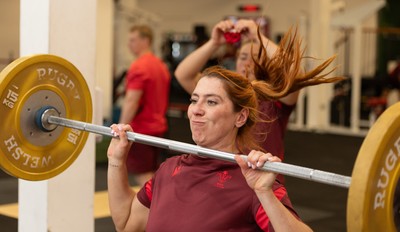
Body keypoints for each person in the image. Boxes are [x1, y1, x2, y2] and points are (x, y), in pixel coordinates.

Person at [107, 27, 342, 230]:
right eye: (194, 100)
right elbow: (126, 224)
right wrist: (116, 161)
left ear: (240, 118)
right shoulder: (168, 170)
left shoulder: (252, 186)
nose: (196, 110)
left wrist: (264, 194)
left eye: (211, 102)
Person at [174, 18, 342, 182]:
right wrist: (214, 43)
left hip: (261, 179)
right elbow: (183, 74)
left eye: (256, 57)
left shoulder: (277, 96)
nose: (248, 62)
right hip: (222, 176)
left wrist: (258, 36)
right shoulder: (223, 94)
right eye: (243, 56)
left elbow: (294, 73)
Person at [118, 24, 171, 186]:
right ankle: (157, 208)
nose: (129, 44)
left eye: (133, 40)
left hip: (141, 131)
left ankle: (158, 210)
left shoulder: (139, 66)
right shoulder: (161, 66)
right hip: (158, 129)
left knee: (144, 177)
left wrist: (120, 127)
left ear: (145, 40)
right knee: (152, 175)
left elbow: (131, 101)